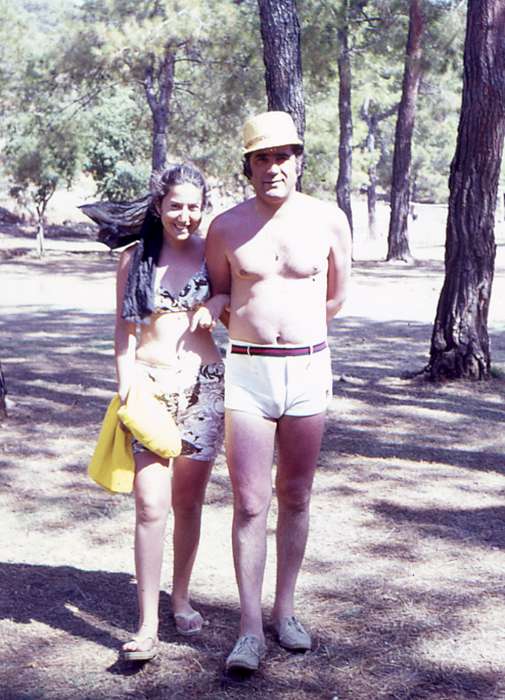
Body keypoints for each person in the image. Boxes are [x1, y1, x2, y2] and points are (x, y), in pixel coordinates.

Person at [205, 111, 352, 672]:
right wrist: (248, 325)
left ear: (298, 161)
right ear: (247, 166)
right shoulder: (225, 227)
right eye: (262, 158)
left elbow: (336, 297)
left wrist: (299, 333)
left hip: (308, 370)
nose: (273, 167)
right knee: (249, 502)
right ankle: (248, 629)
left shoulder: (328, 220)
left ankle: (284, 611)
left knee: (296, 494)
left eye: (283, 156)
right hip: (249, 373)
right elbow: (220, 294)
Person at [115, 163, 229, 662]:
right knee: (149, 505)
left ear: (203, 208)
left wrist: (217, 301)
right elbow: (124, 330)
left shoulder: (213, 253)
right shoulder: (134, 258)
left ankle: (180, 597)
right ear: (159, 205)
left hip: (204, 388)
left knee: (188, 503)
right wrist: (126, 384)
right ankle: (147, 624)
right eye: (175, 205)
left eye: (193, 206)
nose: (184, 215)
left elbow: (234, 295)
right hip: (150, 391)